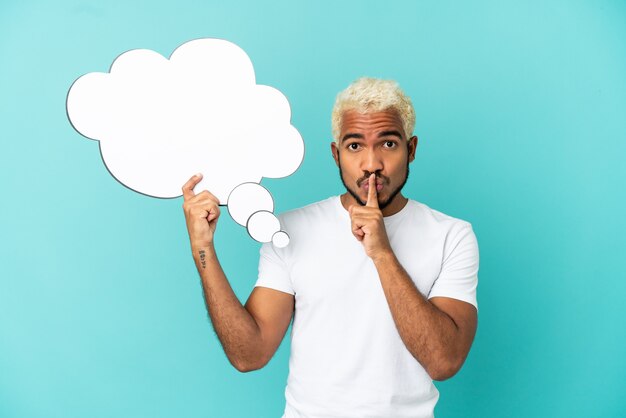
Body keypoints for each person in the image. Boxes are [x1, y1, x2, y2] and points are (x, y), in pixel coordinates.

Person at [181, 77, 479, 418]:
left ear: (410, 149)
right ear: (336, 154)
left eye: (388, 144)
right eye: (355, 146)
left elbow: (443, 361)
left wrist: (382, 253)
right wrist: (202, 250)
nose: (371, 164)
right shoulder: (290, 230)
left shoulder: (451, 235)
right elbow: (249, 355)